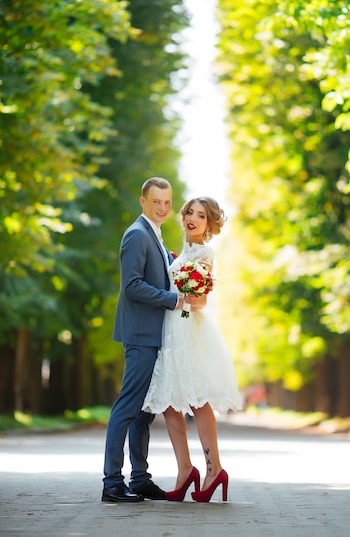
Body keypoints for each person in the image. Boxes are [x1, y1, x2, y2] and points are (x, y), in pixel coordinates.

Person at [102, 177, 203, 503]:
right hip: (141, 335)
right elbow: (132, 285)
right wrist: (172, 300)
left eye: (167, 202)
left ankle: (140, 478)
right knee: (128, 407)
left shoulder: (154, 235)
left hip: (153, 335)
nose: (162, 208)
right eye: (156, 201)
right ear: (143, 201)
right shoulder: (136, 235)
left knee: (144, 412)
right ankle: (112, 483)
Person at [142, 196, 242, 503]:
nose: (193, 218)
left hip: (188, 331)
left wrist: (188, 294)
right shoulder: (182, 251)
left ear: (209, 224)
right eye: (189, 212)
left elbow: (201, 301)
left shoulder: (203, 252)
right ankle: (185, 469)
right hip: (170, 330)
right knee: (170, 403)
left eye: (201, 215)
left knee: (198, 401)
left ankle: (214, 469)